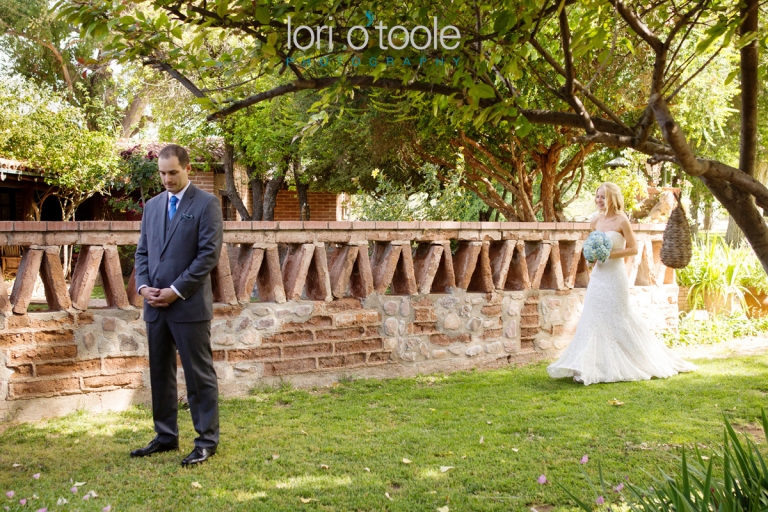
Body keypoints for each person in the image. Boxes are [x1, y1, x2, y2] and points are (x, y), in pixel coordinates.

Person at [547, 182, 696, 385]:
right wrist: (591, 258)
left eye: (603, 197)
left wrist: (610, 254)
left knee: (618, 317)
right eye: (597, 196)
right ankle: (588, 364)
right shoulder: (595, 220)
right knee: (592, 316)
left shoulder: (621, 220)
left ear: (612, 199)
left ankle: (639, 359)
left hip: (615, 276)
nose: (598, 200)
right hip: (599, 275)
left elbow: (633, 249)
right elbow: (591, 247)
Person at [132, 144, 223, 465]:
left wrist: (174, 289)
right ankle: (165, 436)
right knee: (160, 373)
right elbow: (142, 252)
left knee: (199, 375)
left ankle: (206, 441)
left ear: (187, 169)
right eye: (162, 173)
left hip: (189, 306)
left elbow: (207, 257)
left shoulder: (207, 204)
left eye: (173, 172)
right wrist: (144, 287)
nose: (167, 179)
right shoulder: (153, 206)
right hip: (154, 307)